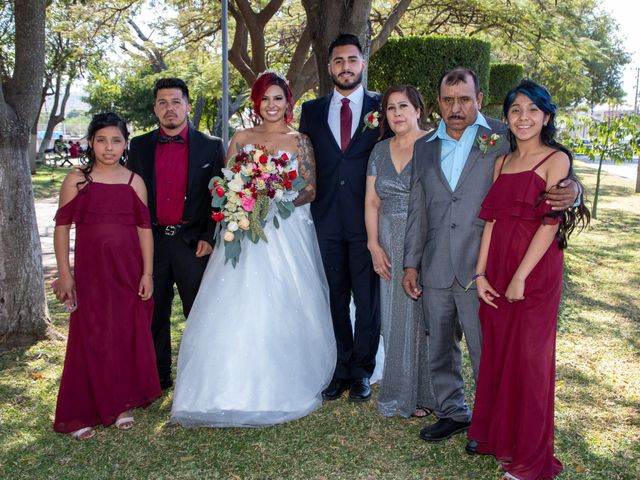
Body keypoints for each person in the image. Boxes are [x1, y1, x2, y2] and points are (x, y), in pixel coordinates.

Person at [402, 67, 579, 443]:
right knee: (440, 346)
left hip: (485, 267)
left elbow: (548, 164)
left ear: (479, 100)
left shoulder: (504, 134)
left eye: (465, 99)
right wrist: (411, 262)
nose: (456, 107)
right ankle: (453, 411)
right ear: (437, 104)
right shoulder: (424, 146)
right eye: (448, 100)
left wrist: (573, 189)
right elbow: (418, 207)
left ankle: (491, 423)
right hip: (435, 264)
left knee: (488, 350)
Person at [170, 71, 336, 427]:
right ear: (256, 103)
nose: (271, 105)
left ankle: (288, 377)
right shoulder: (242, 137)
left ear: (288, 102)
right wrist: (245, 192)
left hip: (287, 230)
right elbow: (226, 180)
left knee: (287, 299)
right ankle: (222, 388)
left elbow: (310, 188)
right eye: (265, 99)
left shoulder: (300, 140)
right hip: (245, 230)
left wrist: (275, 192)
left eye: (278, 98)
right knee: (237, 300)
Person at [466, 80, 589, 480]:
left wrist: (519, 277)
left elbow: (550, 225)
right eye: (516, 110)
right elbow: (492, 222)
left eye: (533, 110)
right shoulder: (500, 162)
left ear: (546, 117)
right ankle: (499, 439)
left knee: (531, 362)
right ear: (507, 117)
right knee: (500, 355)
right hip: (497, 269)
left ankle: (531, 461)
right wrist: (481, 273)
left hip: (534, 273)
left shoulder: (556, 160)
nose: (523, 117)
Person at [52, 112, 160, 440]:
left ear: (125, 144)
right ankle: (81, 409)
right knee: (91, 336)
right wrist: (65, 275)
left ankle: (121, 404)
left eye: (116, 141)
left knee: (123, 335)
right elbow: (61, 228)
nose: (108, 147)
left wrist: (147, 273)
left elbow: (144, 231)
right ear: (90, 143)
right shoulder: (77, 180)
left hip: (127, 274)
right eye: (101, 140)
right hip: (91, 275)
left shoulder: (133, 181)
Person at [299, 33, 382, 403]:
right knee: (334, 298)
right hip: (326, 219)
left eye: (352, 59)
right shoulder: (311, 111)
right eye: (338, 61)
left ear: (362, 63)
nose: (345, 66)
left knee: (367, 300)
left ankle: (363, 371)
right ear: (329, 66)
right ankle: (341, 367)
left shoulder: (383, 108)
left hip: (368, 220)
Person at [128, 78, 225, 390]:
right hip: (151, 243)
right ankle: (158, 378)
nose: (169, 108)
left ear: (187, 105)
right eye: (162, 103)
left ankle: (200, 377)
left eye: (175, 101)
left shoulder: (212, 146)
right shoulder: (139, 146)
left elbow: (219, 197)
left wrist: (209, 237)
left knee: (197, 311)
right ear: (155, 108)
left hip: (191, 242)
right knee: (153, 312)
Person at [364, 85, 435, 418]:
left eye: (403, 106)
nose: (397, 113)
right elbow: (372, 201)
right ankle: (398, 391)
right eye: (390, 108)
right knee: (394, 315)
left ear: (418, 109)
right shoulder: (379, 151)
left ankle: (426, 394)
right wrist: (373, 244)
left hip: (426, 238)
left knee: (423, 317)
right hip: (388, 240)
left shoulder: (436, 144)